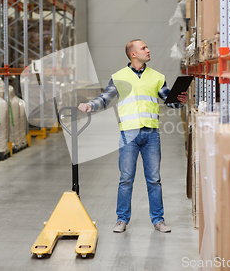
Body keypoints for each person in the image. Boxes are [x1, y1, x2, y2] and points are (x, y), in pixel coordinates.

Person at [78, 39, 188, 233]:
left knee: (154, 179)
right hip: (128, 134)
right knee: (126, 179)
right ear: (133, 54)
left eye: (147, 46)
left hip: (151, 134)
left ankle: (158, 220)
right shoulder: (119, 76)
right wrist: (89, 106)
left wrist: (180, 101)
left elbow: (169, 101)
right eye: (144, 48)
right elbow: (104, 99)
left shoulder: (157, 77)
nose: (148, 49)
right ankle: (122, 220)